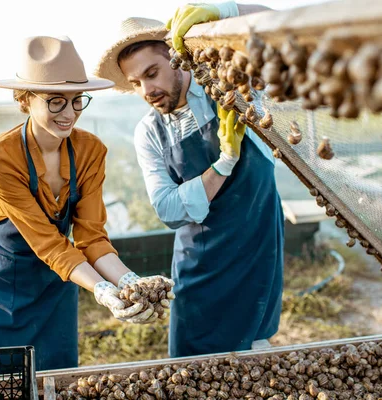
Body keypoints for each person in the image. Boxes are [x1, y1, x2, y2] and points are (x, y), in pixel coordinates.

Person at [0, 35, 174, 371]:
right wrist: (101, 289)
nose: (69, 114)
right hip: (4, 282)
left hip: (60, 281)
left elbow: (91, 237)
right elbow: (47, 242)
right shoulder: (0, 157)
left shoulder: (91, 151)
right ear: (25, 100)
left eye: (77, 101)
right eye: (55, 102)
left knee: (55, 374)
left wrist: (128, 283)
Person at [95, 1, 284, 358]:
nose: (147, 90)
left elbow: (278, 26)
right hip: (199, 260)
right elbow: (168, 209)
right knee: (192, 360)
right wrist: (223, 164)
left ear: (175, 57)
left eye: (152, 73)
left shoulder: (229, 87)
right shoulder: (149, 132)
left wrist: (223, 10)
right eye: (136, 83)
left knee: (255, 353)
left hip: (257, 246)